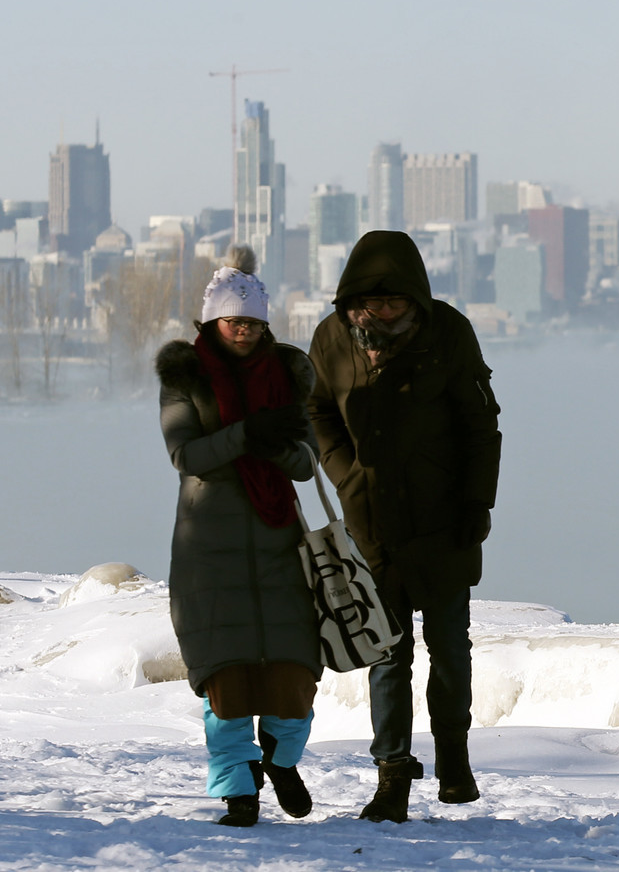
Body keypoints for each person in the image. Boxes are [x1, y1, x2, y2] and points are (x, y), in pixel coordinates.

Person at [309, 229, 501, 824]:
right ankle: (391, 773)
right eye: (374, 301)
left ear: (416, 296)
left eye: (396, 301)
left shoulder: (447, 332)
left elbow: (480, 423)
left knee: (450, 649)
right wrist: (346, 475)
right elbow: (315, 411)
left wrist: (478, 502)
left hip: (445, 520)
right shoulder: (332, 337)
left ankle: (455, 761)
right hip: (372, 521)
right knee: (387, 654)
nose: (385, 311)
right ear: (353, 298)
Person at [155, 247, 323, 828]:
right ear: (212, 322)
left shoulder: (288, 375)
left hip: (281, 545)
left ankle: (280, 761)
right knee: (226, 681)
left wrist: (277, 443)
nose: (245, 332)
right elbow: (187, 454)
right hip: (210, 552)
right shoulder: (186, 377)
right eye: (234, 321)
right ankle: (237, 792)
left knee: (293, 672)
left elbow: (306, 463)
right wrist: (249, 432)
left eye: (254, 322)